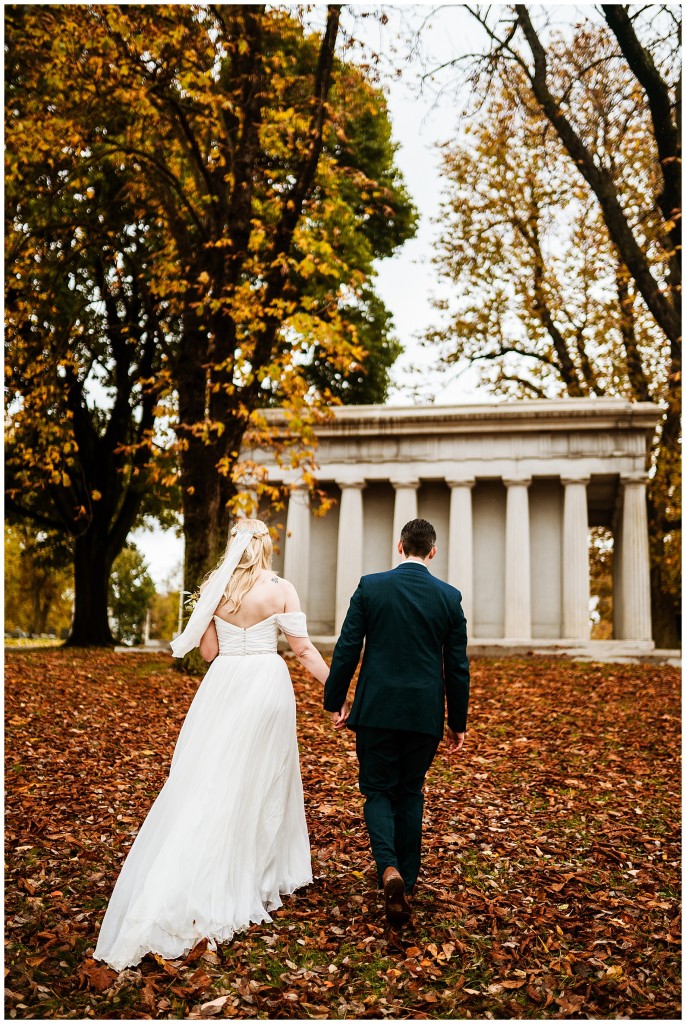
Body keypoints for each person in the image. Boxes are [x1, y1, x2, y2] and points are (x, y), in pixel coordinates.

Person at [94, 519, 329, 971]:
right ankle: (258, 873)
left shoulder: (215, 590)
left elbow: (207, 653)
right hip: (265, 684)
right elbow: (303, 651)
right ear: (265, 548)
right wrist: (336, 690)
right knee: (264, 776)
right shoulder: (281, 589)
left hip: (224, 685)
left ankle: (207, 868)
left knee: (215, 776)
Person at [324, 518, 469, 925]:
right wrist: (457, 721)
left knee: (377, 791)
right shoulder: (449, 597)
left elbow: (348, 646)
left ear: (400, 546)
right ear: (432, 552)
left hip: (377, 711)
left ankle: (388, 867)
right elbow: (457, 666)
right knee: (410, 791)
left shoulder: (371, 587)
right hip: (423, 714)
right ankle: (408, 877)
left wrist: (336, 699)